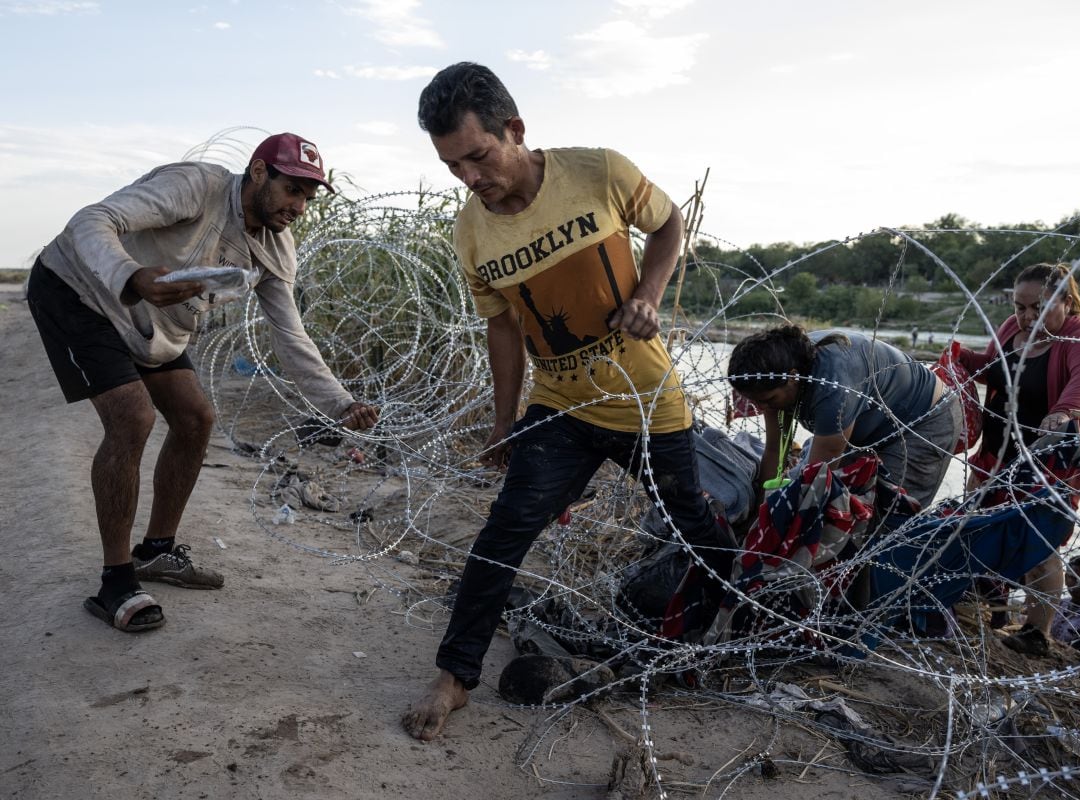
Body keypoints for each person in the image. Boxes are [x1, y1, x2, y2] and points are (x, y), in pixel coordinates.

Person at [402, 63, 733, 740]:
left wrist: (648, 294)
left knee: (693, 524)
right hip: (560, 407)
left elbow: (669, 224)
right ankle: (455, 676)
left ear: (514, 130)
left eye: (478, 156)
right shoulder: (472, 232)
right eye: (452, 166)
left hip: (645, 402)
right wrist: (504, 423)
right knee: (503, 533)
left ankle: (738, 619)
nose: (470, 178)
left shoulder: (598, 172)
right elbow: (503, 325)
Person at [26, 132, 379, 633]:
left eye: (308, 196)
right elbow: (92, 220)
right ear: (259, 173)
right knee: (133, 417)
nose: (299, 206)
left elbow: (289, 333)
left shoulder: (275, 248)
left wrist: (340, 403)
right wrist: (132, 275)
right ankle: (115, 580)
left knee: (196, 419)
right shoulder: (196, 187)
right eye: (291, 190)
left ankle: (157, 552)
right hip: (78, 290)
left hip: (152, 318)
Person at [956, 262, 1080, 656]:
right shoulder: (1012, 328)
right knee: (981, 527)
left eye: (1036, 308)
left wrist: (1064, 412)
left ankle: (1037, 633)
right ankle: (992, 614)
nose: (1025, 317)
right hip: (998, 452)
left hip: (1051, 458)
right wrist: (959, 359)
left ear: (1066, 302)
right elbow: (996, 370)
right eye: (1019, 307)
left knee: (1039, 544)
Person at [726, 325, 962, 509]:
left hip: (923, 422)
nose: (762, 408)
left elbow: (814, 479)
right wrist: (760, 511)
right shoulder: (778, 372)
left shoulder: (831, 385)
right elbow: (774, 452)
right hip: (871, 424)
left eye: (768, 400)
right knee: (848, 507)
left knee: (887, 517)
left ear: (792, 377)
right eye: (755, 401)